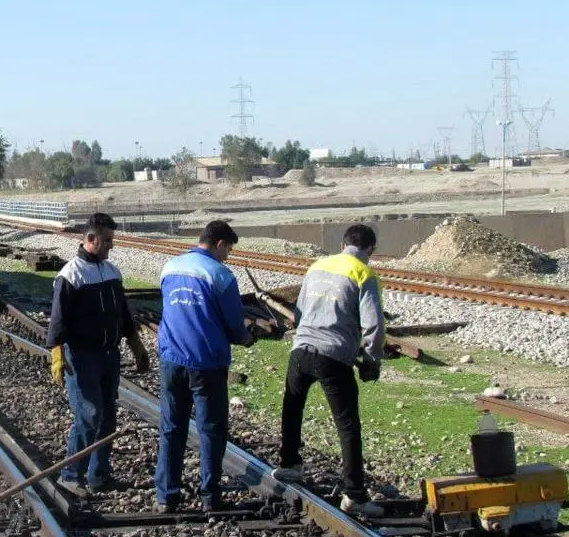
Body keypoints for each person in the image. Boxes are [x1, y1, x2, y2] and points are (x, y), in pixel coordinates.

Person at [274, 223, 386, 518]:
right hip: (334, 357)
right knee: (348, 425)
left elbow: (298, 312)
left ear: (343, 244)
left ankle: (289, 465)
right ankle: (354, 494)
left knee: (292, 406)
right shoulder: (364, 273)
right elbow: (373, 325)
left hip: (300, 351)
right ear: (370, 251)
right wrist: (372, 361)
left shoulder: (317, 265)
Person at [154, 220, 256, 513]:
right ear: (220, 243)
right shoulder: (220, 275)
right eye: (228, 251)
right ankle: (209, 495)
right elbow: (234, 325)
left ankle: (166, 495)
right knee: (211, 428)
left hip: (171, 357)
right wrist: (247, 337)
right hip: (206, 362)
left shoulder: (170, 267)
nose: (228, 257)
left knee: (172, 427)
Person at [47, 213, 150, 496]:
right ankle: (71, 475)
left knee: (107, 418)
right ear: (90, 239)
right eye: (106, 241)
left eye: (111, 240)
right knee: (89, 415)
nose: (111, 246)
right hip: (82, 356)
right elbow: (57, 321)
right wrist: (57, 355)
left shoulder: (112, 271)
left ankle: (99, 476)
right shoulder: (70, 275)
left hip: (109, 355)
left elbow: (123, 315)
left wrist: (136, 346)